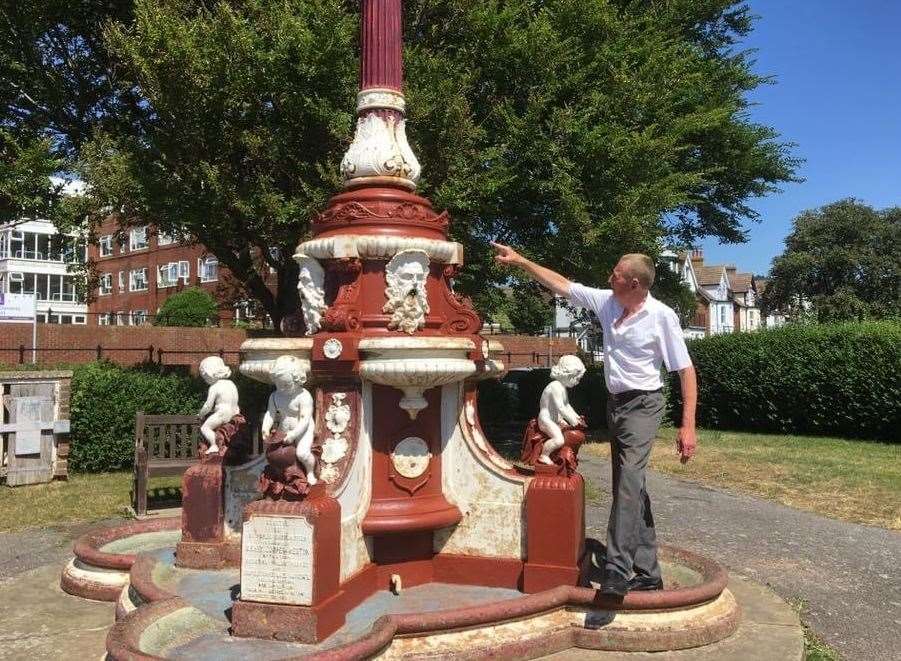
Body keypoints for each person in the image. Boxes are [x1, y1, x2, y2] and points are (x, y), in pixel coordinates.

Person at [492, 243, 698, 596]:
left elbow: (686, 371)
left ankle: (617, 570)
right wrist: (523, 261)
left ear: (634, 283)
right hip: (615, 405)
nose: (609, 277)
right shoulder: (607, 301)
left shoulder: (662, 316)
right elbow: (563, 285)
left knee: (627, 483)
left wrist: (687, 424)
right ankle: (649, 572)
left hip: (645, 405)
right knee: (633, 486)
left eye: (616, 274)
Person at [263, 355, 317, 486]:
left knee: (302, 454)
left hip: (303, 429)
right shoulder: (275, 396)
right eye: (279, 384)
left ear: (297, 379)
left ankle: (310, 472)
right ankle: (287, 476)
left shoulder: (303, 396)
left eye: (286, 385)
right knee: (277, 455)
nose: (282, 388)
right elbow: (270, 414)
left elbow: (305, 419)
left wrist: (294, 434)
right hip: (284, 429)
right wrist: (265, 427)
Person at [198, 356, 241, 455]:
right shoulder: (231, 384)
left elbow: (208, 406)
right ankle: (224, 446)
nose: (205, 380)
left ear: (210, 374)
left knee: (205, 428)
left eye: (205, 377)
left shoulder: (214, 387)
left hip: (222, 413)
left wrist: (200, 414)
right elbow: (236, 399)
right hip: (234, 413)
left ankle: (214, 445)